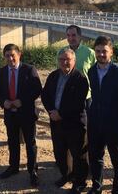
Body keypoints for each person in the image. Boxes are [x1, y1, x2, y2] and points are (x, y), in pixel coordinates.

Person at [87, 35, 118, 194]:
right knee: (95, 156)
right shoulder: (92, 70)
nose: (101, 54)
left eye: (104, 51)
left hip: (114, 123)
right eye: (98, 51)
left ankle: (117, 190)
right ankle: (97, 187)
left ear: (111, 52)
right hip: (95, 121)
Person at [0, 44, 42, 187]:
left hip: (26, 113)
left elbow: (37, 89)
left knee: (30, 143)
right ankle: (13, 167)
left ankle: (32, 171)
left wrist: (23, 101)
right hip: (10, 113)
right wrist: (4, 102)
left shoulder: (29, 69)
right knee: (12, 142)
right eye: (7, 56)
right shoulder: (1, 72)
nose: (10, 58)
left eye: (12, 55)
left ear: (19, 54)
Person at [42, 48, 89, 194]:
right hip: (56, 122)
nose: (64, 62)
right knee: (59, 153)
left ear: (74, 61)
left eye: (67, 59)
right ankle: (66, 175)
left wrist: (60, 113)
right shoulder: (53, 76)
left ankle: (80, 182)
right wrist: (51, 111)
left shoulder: (80, 78)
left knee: (78, 155)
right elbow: (45, 95)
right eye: (61, 59)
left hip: (73, 123)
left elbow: (78, 102)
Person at [58, 25, 96, 185]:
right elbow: (60, 73)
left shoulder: (89, 53)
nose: (71, 38)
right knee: (69, 136)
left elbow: (95, 74)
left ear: (80, 36)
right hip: (67, 101)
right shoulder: (62, 52)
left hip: (86, 99)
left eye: (73, 35)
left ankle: (85, 171)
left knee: (85, 137)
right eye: (68, 35)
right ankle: (69, 171)